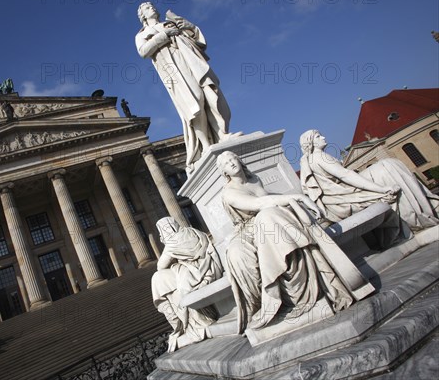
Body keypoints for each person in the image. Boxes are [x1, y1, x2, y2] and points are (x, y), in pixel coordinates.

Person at [216, 151, 354, 334]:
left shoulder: (255, 179)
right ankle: (264, 303)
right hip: (246, 231)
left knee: (270, 218)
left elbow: (266, 201)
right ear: (224, 172)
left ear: (240, 159)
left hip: (266, 219)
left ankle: (296, 291)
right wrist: (295, 197)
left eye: (233, 158)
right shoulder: (229, 193)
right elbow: (258, 204)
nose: (232, 163)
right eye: (226, 163)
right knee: (238, 254)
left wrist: (291, 201)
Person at [135, 2, 233, 170]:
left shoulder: (170, 22)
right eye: (147, 7)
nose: (152, 7)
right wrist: (164, 35)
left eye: (152, 5)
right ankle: (206, 144)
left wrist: (189, 26)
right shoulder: (143, 34)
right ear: (142, 16)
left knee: (210, 94)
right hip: (174, 69)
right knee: (195, 101)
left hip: (192, 61)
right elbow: (143, 51)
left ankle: (221, 134)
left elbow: (198, 41)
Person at [300, 130, 439, 232]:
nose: (323, 137)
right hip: (346, 194)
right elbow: (345, 175)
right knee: (388, 166)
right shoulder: (319, 157)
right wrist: (381, 189)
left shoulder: (313, 159)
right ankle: (426, 209)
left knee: (389, 165)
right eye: (318, 136)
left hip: (344, 192)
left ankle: (425, 206)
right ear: (311, 143)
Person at [151, 217, 223, 352]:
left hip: (193, 275)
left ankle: (189, 324)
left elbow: (160, 266)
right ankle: (189, 322)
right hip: (209, 270)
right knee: (164, 280)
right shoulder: (193, 232)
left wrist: (166, 245)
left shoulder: (173, 242)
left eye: (161, 232)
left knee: (158, 279)